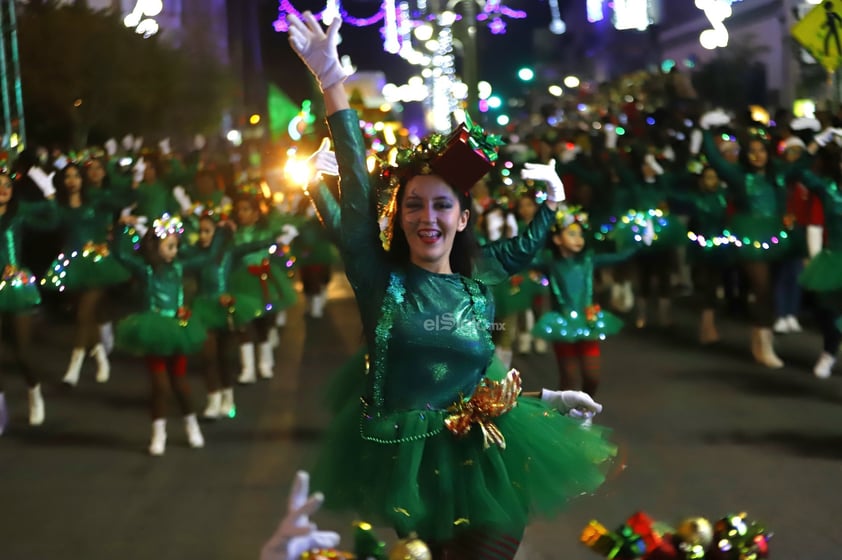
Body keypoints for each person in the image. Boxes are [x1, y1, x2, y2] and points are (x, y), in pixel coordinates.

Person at [287, 13, 616, 558]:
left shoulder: (476, 285)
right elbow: (355, 183)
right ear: (399, 218)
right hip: (414, 476)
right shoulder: (379, 280)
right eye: (413, 205)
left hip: (492, 466)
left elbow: (471, 393)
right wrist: (332, 84)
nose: (427, 217)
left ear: (463, 219)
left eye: (443, 205)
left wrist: (548, 400)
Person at [112, 213, 218, 456]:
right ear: (155, 245)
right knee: (160, 386)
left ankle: (191, 425)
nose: (173, 251)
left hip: (177, 328)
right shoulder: (145, 270)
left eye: (176, 246)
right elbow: (119, 254)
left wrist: (220, 232)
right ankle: (158, 433)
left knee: (180, 385)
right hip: (153, 329)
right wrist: (121, 228)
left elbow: (209, 257)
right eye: (169, 246)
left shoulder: (179, 267)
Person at [532, 206, 643, 397]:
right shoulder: (550, 263)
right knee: (568, 379)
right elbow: (524, 260)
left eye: (580, 235)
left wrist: (639, 241)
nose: (578, 239)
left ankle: (584, 409)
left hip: (588, 321)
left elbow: (620, 257)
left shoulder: (588, 261)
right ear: (557, 239)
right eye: (572, 234)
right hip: (562, 324)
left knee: (592, 377)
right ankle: (564, 417)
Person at [0, 164, 58, 434]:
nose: (3, 190)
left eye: (8, 185)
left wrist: (49, 192)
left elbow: (51, 219)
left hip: (15, 287)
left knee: (21, 352)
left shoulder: (19, 212)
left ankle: (34, 392)